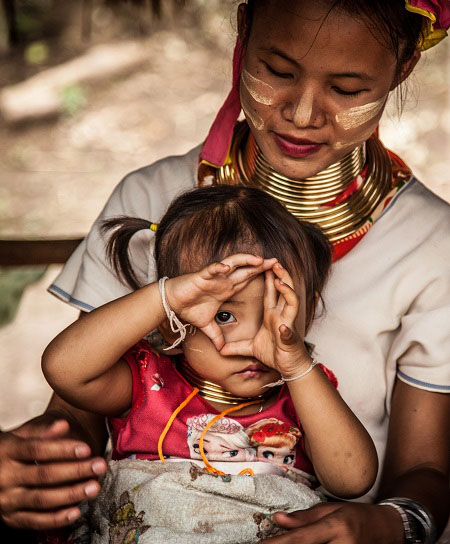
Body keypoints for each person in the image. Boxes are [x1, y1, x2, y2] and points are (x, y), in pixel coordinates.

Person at [0, 0, 449, 542]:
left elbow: (420, 470)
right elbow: (76, 407)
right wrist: (35, 468)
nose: (303, 114)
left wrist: (394, 523)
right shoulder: (149, 203)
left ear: (402, 68)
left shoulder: (432, 246)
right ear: (243, 31)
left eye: (347, 89)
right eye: (278, 72)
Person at [40, 185, 377, 542]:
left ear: (307, 310)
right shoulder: (148, 383)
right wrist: (165, 297)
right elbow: (64, 369)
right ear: (173, 327)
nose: (250, 343)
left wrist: (297, 367)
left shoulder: (304, 396)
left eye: (275, 310)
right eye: (225, 314)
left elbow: (353, 480)